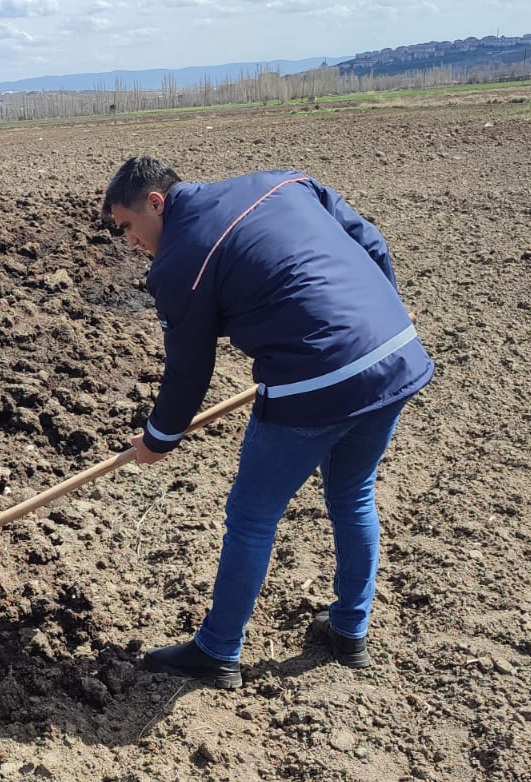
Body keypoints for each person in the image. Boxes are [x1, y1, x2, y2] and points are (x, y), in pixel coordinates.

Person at [102, 156, 433, 690]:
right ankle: (350, 631)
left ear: (155, 203)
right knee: (353, 493)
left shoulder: (179, 261)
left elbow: (189, 368)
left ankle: (217, 650)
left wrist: (159, 438)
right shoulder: (284, 182)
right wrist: (381, 319)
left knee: (252, 516)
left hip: (315, 380)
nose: (131, 242)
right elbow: (369, 241)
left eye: (127, 226)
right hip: (395, 355)